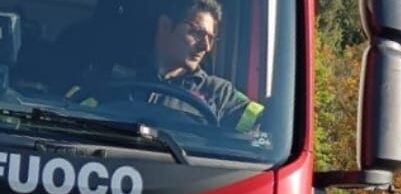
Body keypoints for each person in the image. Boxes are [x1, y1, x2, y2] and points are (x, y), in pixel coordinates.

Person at [65, 0, 264, 132]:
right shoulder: (113, 80)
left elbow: (267, 127)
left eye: (211, 38)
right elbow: (67, 118)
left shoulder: (220, 93)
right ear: (165, 26)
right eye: (197, 33)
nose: (206, 47)